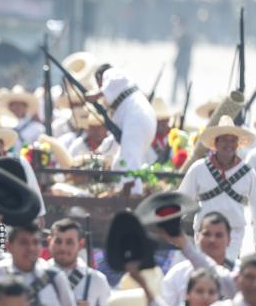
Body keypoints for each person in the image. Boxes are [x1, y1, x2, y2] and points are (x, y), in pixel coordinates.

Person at [179, 116, 256, 260]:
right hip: (205, 233)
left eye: (233, 140)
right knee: (204, 272)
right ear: (216, 143)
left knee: (226, 272)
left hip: (233, 234)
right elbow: (182, 199)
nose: (229, 144)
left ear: (237, 144)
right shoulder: (199, 168)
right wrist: (174, 228)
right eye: (224, 139)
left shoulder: (248, 172)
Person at [85, 64, 156, 193]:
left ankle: (132, 194)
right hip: (142, 121)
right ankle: (123, 189)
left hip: (137, 119)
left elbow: (112, 83)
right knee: (119, 162)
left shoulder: (112, 73)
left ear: (101, 78)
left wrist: (96, 95)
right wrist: (101, 151)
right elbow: (115, 139)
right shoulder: (122, 102)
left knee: (130, 162)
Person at [0, 222, 76, 306]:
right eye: (24, 242)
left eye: (36, 242)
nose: (31, 248)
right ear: (9, 246)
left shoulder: (55, 278)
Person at [163, 212, 236, 306]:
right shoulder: (177, 273)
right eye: (207, 234)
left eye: (218, 235)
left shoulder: (243, 274)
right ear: (197, 237)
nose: (212, 240)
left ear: (229, 240)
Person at [46, 218, 111, 306]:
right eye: (58, 242)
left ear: (81, 244)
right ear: (49, 241)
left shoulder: (96, 280)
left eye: (69, 242)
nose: (63, 248)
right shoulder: (38, 274)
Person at [0, 86, 45, 151]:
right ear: (9, 107)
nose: (18, 107)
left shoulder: (37, 128)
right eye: (14, 104)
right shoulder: (2, 128)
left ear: (26, 107)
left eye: (21, 104)